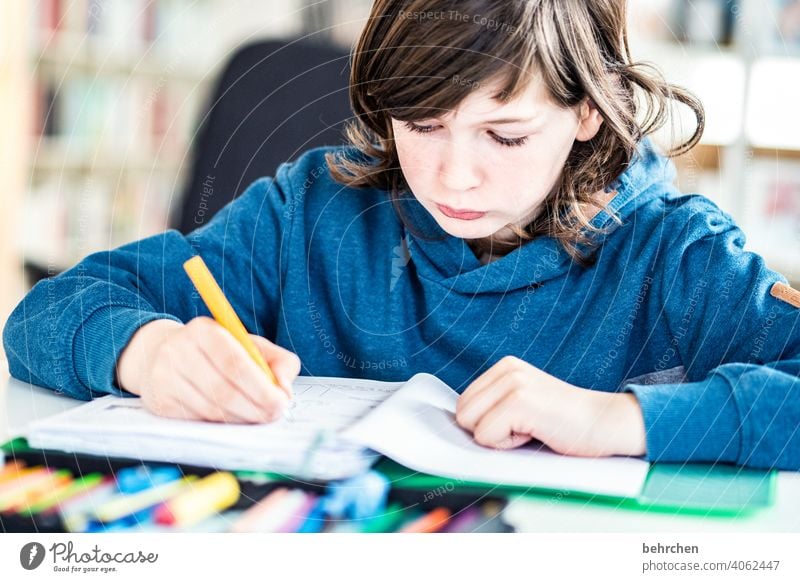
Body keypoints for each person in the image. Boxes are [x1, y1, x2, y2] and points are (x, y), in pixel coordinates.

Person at [4, 0, 799, 470]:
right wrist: (147, 352)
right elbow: (45, 314)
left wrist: (615, 422)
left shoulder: (672, 256)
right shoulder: (308, 214)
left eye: (505, 136)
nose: (454, 177)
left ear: (588, 112)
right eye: (423, 124)